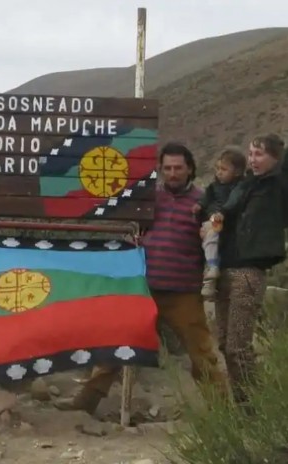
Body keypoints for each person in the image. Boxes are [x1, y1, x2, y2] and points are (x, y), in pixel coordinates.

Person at [54, 142, 228, 414]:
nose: (172, 173)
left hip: (183, 291)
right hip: (142, 287)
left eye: (178, 168)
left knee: (202, 353)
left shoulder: (202, 202)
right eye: (167, 168)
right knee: (115, 345)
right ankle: (84, 405)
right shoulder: (148, 200)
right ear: (160, 169)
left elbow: (214, 239)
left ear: (190, 168)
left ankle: (224, 413)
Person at [213, 133, 287, 406]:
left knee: (237, 347)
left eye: (260, 154)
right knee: (223, 344)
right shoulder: (245, 186)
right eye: (251, 154)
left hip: (250, 272)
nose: (253, 160)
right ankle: (244, 401)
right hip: (226, 269)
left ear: (275, 158)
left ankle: (253, 406)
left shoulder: (278, 184)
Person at [192, 146, 246, 299]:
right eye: (218, 168)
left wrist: (222, 213)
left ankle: (213, 266)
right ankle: (210, 274)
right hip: (213, 220)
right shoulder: (213, 187)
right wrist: (199, 206)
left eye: (224, 169)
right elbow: (205, 199)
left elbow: (234, 202)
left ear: (236, 172)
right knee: (209, 238)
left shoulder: (239, 187)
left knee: (211, 234)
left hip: (222, 221)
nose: (219, 172)